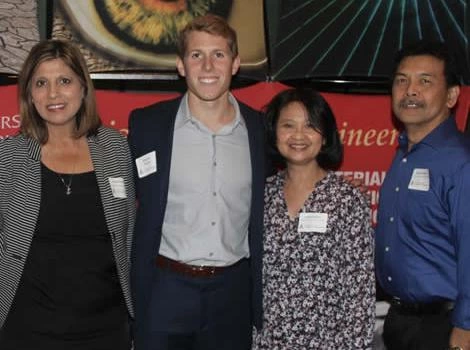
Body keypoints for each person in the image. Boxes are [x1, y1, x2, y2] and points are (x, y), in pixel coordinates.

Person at [128, 14, 265, 350]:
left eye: (218, 55)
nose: (207, 66)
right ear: (180, 65)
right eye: (196, 55)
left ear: (235, 64)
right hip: (164, 290)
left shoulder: (261, 130)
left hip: (232, 294)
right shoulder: (148, 125)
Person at [0, 40, 136, 349]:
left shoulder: (114, 148)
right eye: (41, 83)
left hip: (105, 330)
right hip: (27, 330)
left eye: (64, 80)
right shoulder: (8, 156)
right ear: (29, 95)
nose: (53, 94)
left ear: (83, 87)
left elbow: (128, 234)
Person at [252, 87, 375, 349]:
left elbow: (359, 292)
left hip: (330, 343)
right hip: (267, 343)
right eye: (288, 125)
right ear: (274, 134)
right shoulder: (260, 196)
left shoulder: (347, 200)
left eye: (310, 126)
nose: (298, 135)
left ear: (325, 136)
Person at [375, 40, 470, 350]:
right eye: (402, 80)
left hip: (445, 328)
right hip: (400, 320)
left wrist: (465, 328)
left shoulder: (460, 163)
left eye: (424, 81)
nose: (410, 91)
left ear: (452, 95)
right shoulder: (404, 155)